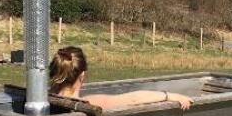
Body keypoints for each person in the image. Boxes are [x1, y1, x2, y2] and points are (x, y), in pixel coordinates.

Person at [49, 46, 193, 110]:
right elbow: (134, 99)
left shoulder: (43, 101)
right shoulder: (88, 104)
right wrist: (168, 95)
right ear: (82, 75)